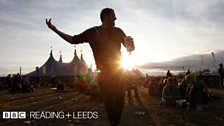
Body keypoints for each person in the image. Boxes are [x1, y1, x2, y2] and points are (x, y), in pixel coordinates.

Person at [46, 8, 134, 126]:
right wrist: (55, 30)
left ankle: (114, 123)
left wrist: (131, 46)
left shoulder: (118, 31)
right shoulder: (93, 32)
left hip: (119, 73)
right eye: (114, 15)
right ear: (106, 16)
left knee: (119, 102)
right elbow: (73, 40)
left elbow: (129, 48)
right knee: (109, 103)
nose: (116, 18)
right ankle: (114, 123)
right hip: (104, 74)